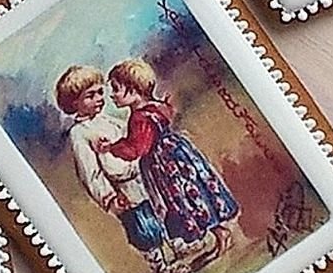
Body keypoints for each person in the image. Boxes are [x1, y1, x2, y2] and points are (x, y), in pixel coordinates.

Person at [96, 58, 239, 262]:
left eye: (116, 89)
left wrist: (110, 147)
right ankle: (220, 234)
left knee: (183, 200)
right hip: (178, 153)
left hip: (163, 164)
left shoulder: (139, 118)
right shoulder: (155, 107)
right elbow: (167, 115)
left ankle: (220, 235)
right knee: (195, 194)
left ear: (133, 90)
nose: (112, 95)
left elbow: (137, 148)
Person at [53, 64, 178, 273]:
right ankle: (161, 268)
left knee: (160, 212)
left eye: (100, 92)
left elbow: (135, 141)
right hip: (122, 189)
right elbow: (90, 171)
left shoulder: (110, 120)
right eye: (90, 96)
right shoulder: (79, 133)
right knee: (143, 227)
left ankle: (177, 248)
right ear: (74, 103)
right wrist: (109, 197)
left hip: (142, 178)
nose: (99, 99)